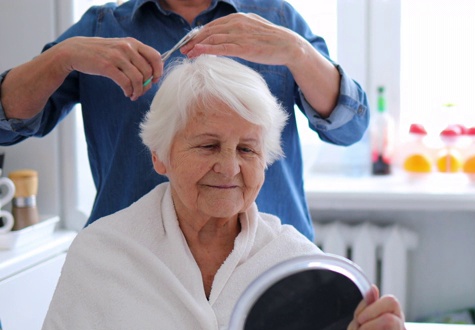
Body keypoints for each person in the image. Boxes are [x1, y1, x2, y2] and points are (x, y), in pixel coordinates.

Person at [34, 55, 404, 330]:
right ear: (160, 156)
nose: (229, 167)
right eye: (208, 146)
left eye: (247, 149)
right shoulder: (100, 254)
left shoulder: (295, 263)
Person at [0, 0, 369, 240]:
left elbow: (350, 128)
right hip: (132, 270)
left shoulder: (276, 21)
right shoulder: (101, 27)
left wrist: (298, 53)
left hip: (266, 267)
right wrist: (59, 58)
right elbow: (4, 125)